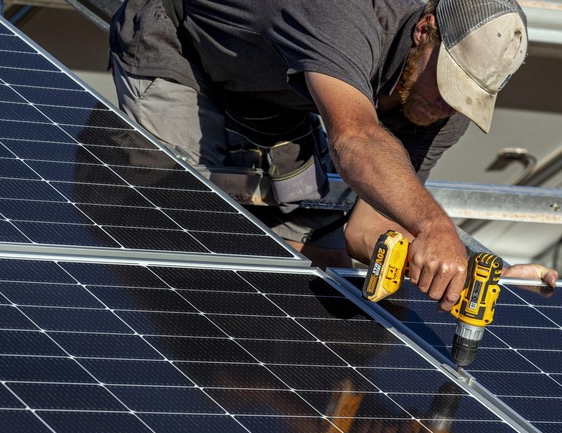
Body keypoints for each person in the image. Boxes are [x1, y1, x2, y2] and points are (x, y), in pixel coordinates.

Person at [108, 0, 558, 310]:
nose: (448, 104)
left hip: (277, 89)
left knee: (325, 263)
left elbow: (368, 230)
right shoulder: (346, 17)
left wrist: (474, 276)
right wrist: (435, 226)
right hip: (184, 46)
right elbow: (355, 140)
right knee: (190, 222)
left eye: (466, 96)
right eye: (447, 82)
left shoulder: (445, 107)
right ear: (425, 32)